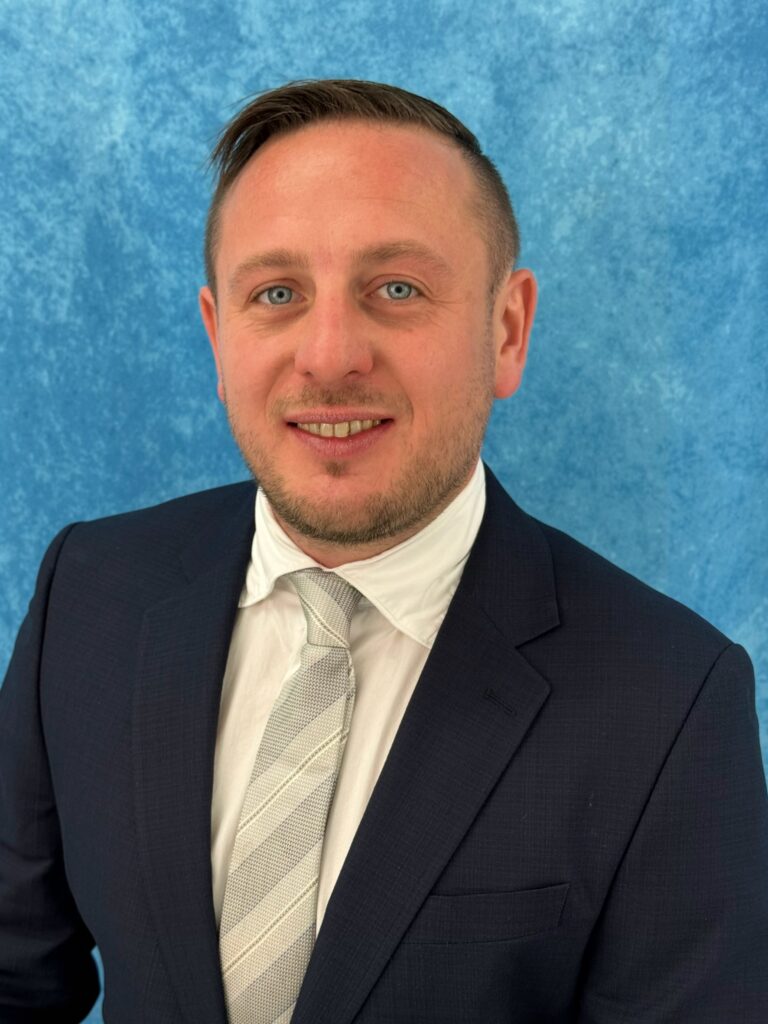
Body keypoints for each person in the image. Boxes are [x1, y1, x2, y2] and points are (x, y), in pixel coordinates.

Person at [0, 78, 766, 1024]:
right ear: (217, 335)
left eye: (397, 289)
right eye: (277, 293)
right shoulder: (90, 594)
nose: (329, 356)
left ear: (506, 330)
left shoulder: (669, 702)